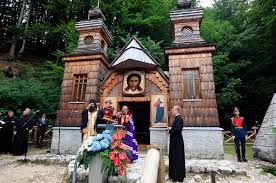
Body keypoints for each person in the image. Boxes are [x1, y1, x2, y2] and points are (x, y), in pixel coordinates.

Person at [168, 105, 185, 182]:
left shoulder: (179, 119)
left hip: (177, 143)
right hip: (175, 142)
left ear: (177, 111)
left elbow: (178, 130)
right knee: (174, 158)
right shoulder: (177, 119)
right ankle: (174, 175)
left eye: (173, 110)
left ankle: (178, 176)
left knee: (177, 158)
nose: (172, 111)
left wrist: (170, 131)